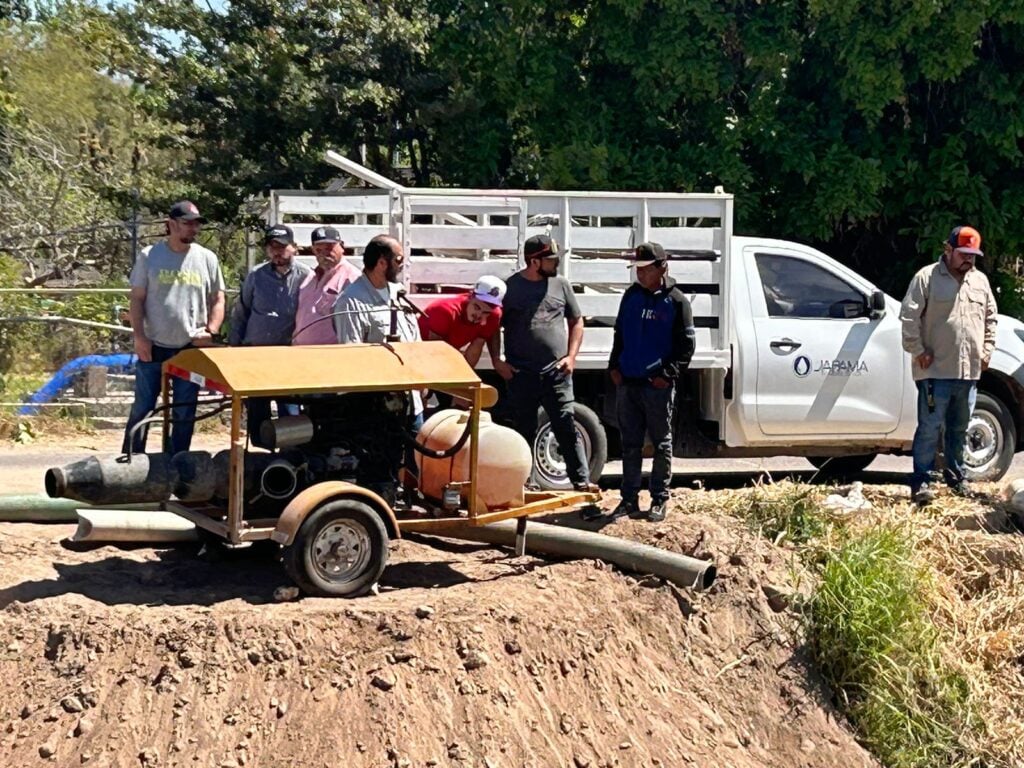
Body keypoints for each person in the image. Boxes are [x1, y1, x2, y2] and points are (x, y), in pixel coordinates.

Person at [586, 243, 695, 522]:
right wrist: (614, 366)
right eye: (637, 269)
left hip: (656, 386)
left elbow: (686, 348)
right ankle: (628, 499)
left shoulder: (677, 301)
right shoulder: (631, 296)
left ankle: (659, 498)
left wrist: (666, 376)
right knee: (630, 443)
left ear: (662, 267)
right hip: (628, 383)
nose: (640, 275)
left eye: (646, 269)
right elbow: (619, 333)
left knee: (661, 443)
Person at [900, 225, 997, 505]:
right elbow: (909, 317)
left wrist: (987, 350)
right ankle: (922, 482)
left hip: (968, 372)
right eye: (963, 253)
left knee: (960, 427)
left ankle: (957, 479)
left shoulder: (980, 281)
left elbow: (991, 318)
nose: (968, 259)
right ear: (948, 250)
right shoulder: (927, 277)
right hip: (935, 371)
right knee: (930, 427)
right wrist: (918, 350)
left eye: (973, 255)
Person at [496, 234, 598, 492]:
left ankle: (582, 483)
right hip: (521, 374)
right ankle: (523, 485)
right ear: (534, 262)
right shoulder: (511, 288)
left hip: (557, 373)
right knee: (523, 430)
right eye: (551, 259)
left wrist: (571, 357)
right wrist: (498, 361)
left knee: (566, 426)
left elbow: (577, 321)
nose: (556, 264)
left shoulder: (561, 285)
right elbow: (491, 326)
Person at [122, 201, 225, 455]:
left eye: (196, 224)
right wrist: (139, 337)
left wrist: (210, 331)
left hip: (190, 349)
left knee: (184, 409)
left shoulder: (207, 258)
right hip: (154, 346)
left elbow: (218, 298)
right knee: (144, 406)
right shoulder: (150, 256)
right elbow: (136, 298)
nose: (193, 229)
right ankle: (131, 461)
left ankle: (176, 462)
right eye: (187, 223)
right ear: (171, 225)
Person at [228, 224, 310, 445]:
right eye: (272, 247)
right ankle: (258, 460)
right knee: (257, 411)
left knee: (290, 412)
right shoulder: (256, 275)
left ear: (294, 248)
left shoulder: (306, 277)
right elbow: (240, 313)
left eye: (282, 247)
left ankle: (291, 458)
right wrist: (233, 351)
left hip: (288, 359)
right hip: (256, 355)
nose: (277, 252)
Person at [292, 226, 362, 345]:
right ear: (313, 250)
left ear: (342, 247)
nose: (325, 254)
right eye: (319, 250)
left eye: (329, 248)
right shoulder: (309, 278)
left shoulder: (352, 278)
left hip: (330, 354)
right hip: (301, 352)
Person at [418, 275, 506, 366]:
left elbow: (475, 350)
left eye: (486, 312)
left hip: (444, 354)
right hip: (417, 351)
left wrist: (468, 376)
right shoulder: (444, 310)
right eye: (477, 307)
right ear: (471, 296)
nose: (479, 315)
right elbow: (435, 351)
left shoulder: (493, 315)